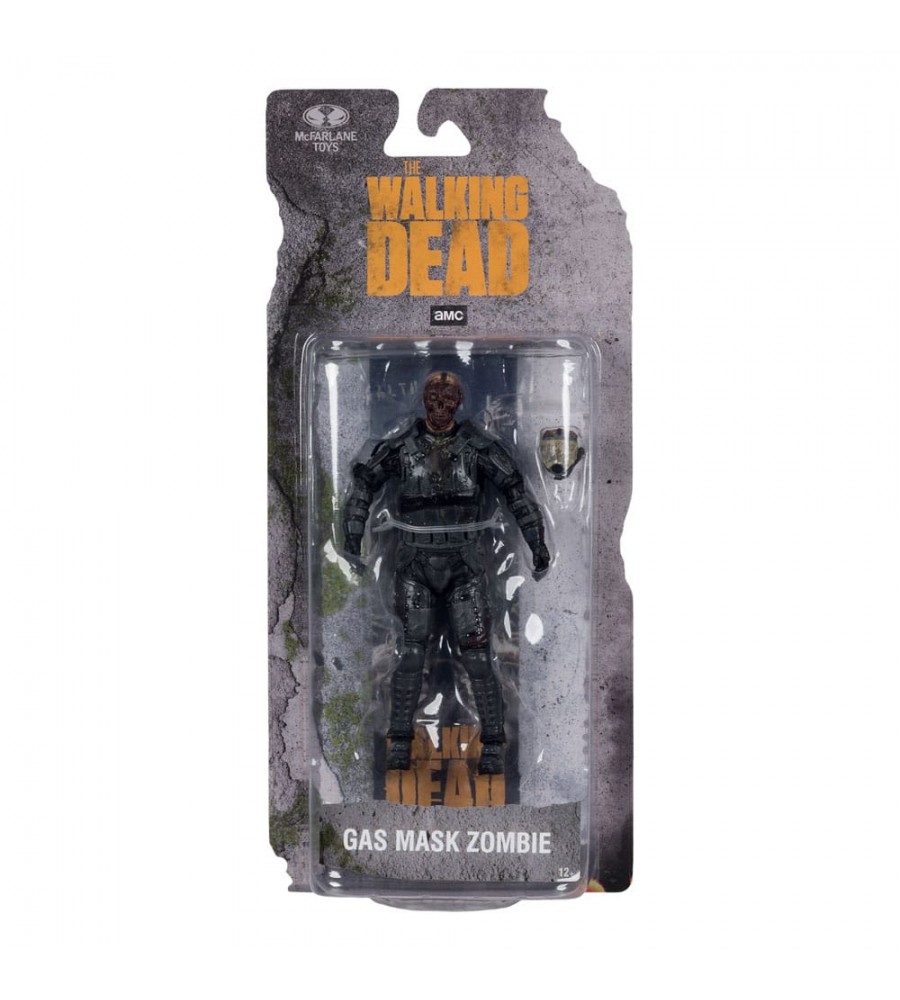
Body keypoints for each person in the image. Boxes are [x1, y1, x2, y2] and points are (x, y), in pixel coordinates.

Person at [343, 371, 550, 775]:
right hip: (414, 564)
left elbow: (516, 493)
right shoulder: (400, 448)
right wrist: (353, 536)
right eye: (433, 397)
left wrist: (536, 543)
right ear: (424, 400)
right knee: (410, 656)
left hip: (465, 566)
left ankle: (493, 744)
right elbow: (364, 485)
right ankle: (399, 742)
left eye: (448, 397)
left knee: (478, 658)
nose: (440, 405)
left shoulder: (478, 448)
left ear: (458, 402)